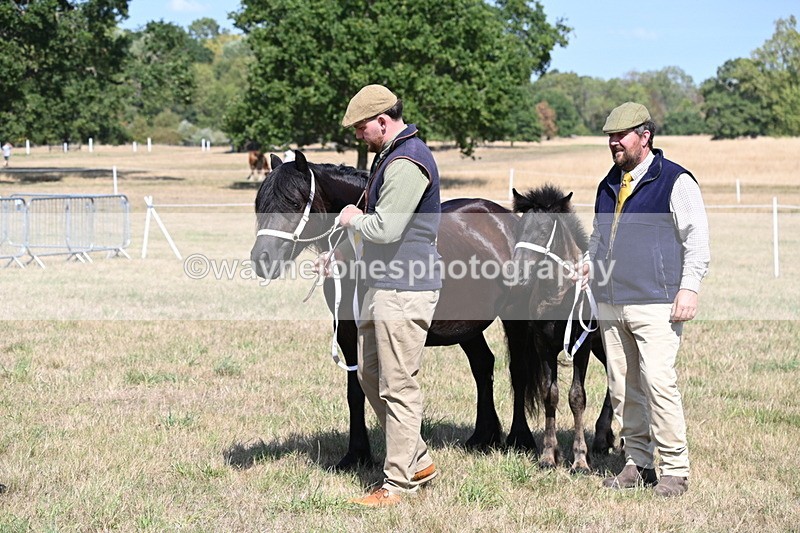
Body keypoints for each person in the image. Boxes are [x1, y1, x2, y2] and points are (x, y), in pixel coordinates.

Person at [581, 102, 710, 497]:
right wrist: (587, 263)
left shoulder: (676, 181)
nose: (614, 143)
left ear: (645, 136)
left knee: (658, 384)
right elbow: (599, 238)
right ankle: (637, 463)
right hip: (611, 301)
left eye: (621, 136)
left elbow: (697, 240)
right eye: (610, 137)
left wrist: (689, 287)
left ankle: (674, 470)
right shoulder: (608, 184)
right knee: (622, 388)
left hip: (657, 302)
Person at [337, 84, 442, 507]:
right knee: (369, 376)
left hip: (404, 287)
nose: (359, 135)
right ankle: (416, 458)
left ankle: (396, 484)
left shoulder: (406, 162)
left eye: (362, 127)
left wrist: (353, 218)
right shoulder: (390, 155)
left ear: (383, 121)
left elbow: (385, 228)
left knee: (398, 386)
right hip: (382, 284)